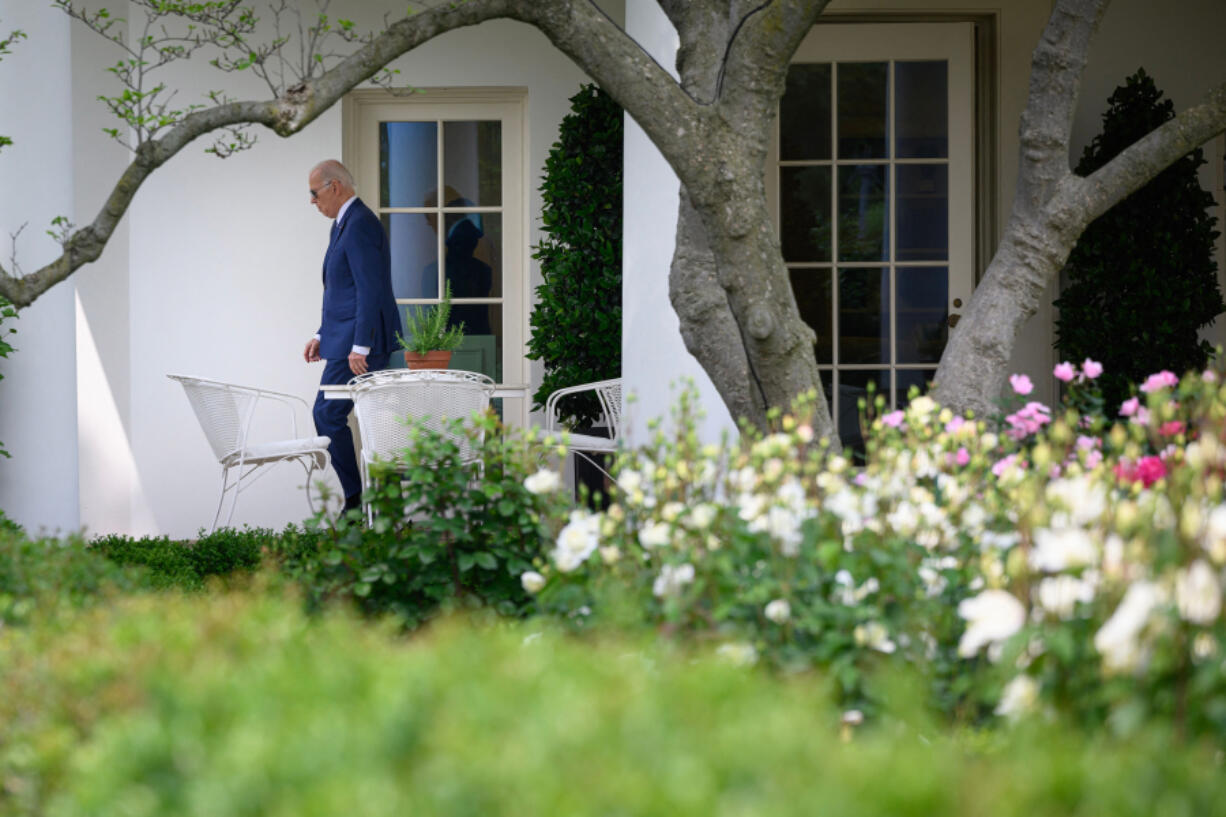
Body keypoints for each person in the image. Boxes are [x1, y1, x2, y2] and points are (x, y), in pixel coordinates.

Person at [303, 159, 403, 513]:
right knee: (374, 420)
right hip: (346, 340)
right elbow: (340, 289)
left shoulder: (359, 223)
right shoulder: (343, 224)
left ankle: (358, 500)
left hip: (358, 346)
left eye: (314, 193)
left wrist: (361, 344)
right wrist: (321, 333)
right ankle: (385, 506)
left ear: (335, 187)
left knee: (328, 415)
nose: (313, 201)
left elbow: (369, 288)